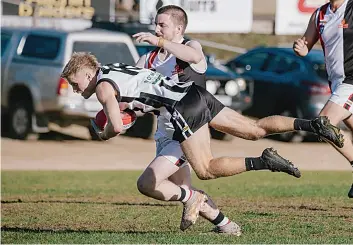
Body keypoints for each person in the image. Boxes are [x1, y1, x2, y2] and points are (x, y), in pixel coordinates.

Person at [60, 53, 344, 231]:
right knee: (255, 128)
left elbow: (117, 127)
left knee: (205, 169)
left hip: (182, 109)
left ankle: (263, 162)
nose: (75, 89)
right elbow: (140, 95)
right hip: (195, 95)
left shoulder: (103, 87)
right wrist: (134, 110)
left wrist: (102, 133)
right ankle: (312, 125)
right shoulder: (115, 68)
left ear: (88, 73)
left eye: (75, 83)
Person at [132, 5, 243, 234]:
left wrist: (159, 41)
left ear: (179, 28)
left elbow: (194, 57)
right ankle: (227, 226)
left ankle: (194, 197)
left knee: (148, 184)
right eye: (155, 24)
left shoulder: (190, 46)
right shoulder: (147, 58)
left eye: (162, 25)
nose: (156, 29)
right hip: (163, 133)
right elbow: (134, 92)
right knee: (184, 189)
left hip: (186, 133)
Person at [293, 0, 353, 198]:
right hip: (336, 84)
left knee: (323, 123)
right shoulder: (320, 14)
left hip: (351, 82)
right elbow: (305, 46)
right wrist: (301, 47)